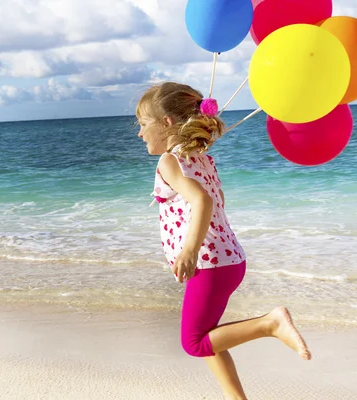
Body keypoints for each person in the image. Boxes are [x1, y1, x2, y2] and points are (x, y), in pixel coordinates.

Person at [136, 82, 311, 400]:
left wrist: (189, 250)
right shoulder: (201, 159)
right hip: (229, 260)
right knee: (210, 339)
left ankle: (270, 324)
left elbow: (203, 201)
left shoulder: (170, 162)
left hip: (209, 264)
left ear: (166, 123)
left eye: (143, 124)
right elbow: (219, 201)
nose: (139, 134)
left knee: (194, 343)